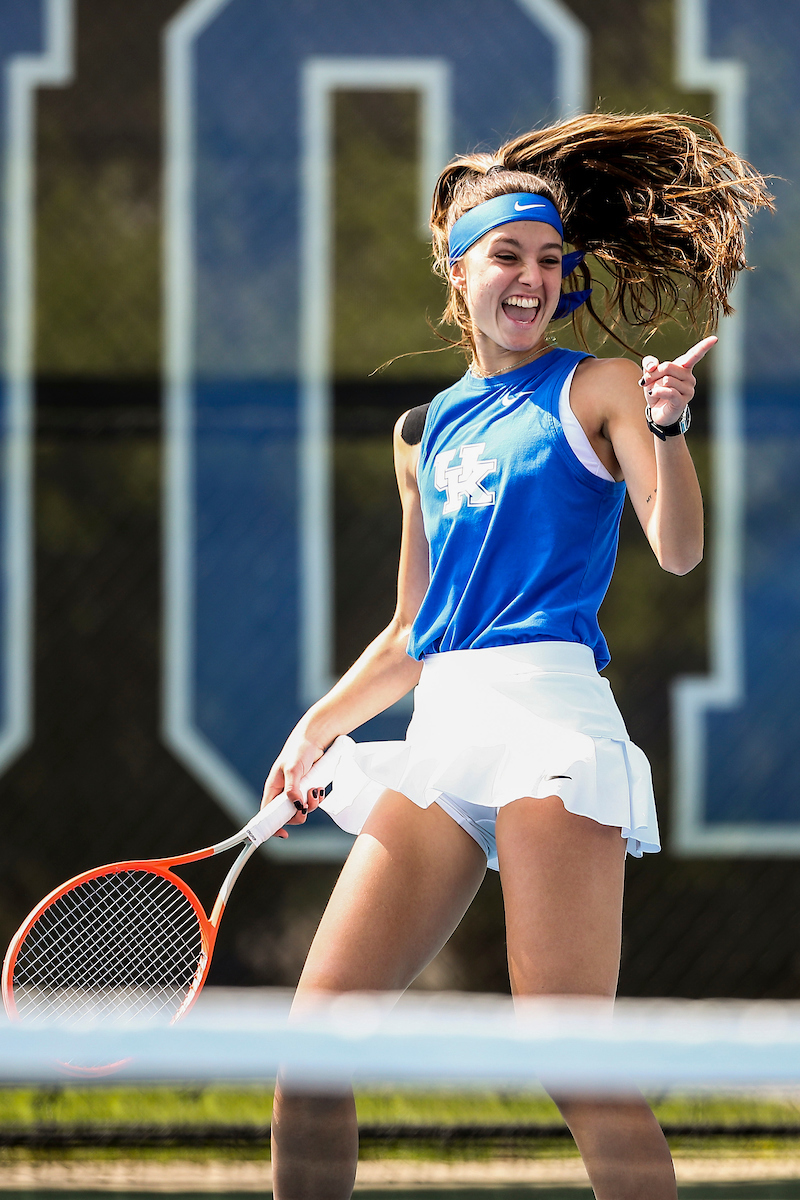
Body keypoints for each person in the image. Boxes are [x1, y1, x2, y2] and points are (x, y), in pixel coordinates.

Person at [263, 112, 773, 1199]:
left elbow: (675, 552)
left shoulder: (599, 387)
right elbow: (414, 628)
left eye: (550, 260)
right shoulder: (425, 431)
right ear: (458, 271)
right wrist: (318, 728)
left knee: (562, 1046)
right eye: (506, 256)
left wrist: (668, 429)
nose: (531, 278)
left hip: (548, 729)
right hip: (441, 737)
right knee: (308, 1053)